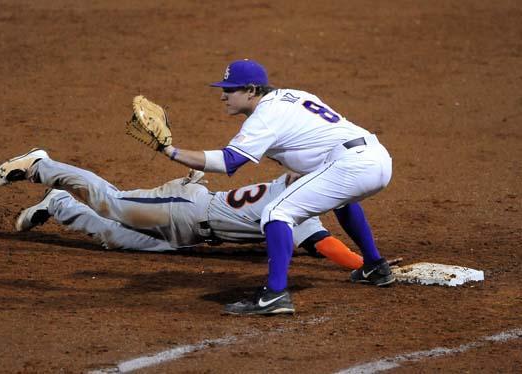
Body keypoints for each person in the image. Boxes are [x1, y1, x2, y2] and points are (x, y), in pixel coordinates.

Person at [155, 59, 394, 315]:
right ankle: (375, 266)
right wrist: (303, 169)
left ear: (251, 91)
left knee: (275, 212)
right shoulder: (293, 96)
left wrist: (170, 151)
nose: (223, 96)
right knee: (340, 198)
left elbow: (228, 162)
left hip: (352, 165)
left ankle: (274, 295)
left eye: (230, 90)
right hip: (375, 158)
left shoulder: (264, 117)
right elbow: (318, 135)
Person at [0, 149, 364, 271]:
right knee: (112, 202)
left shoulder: (292, 193)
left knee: (116, 238)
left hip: (190, 235)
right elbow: (329, 249)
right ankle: (41, 165)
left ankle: (59, 205)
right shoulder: (294, 208)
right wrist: (367, 266)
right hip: (184, 211)